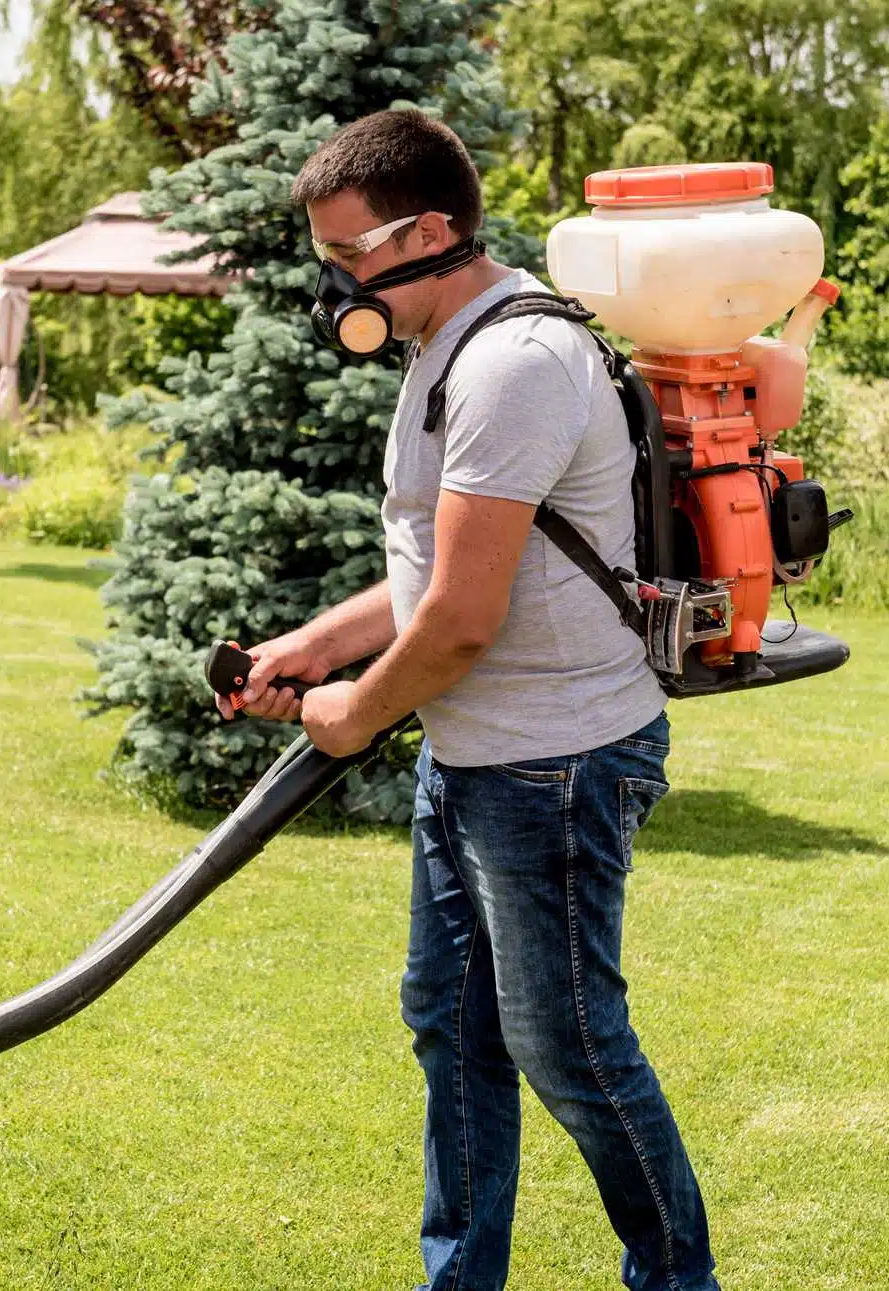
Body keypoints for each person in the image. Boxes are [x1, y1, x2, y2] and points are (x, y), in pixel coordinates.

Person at [214, 109, 721, 1291]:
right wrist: (314, 645)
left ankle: (676, 1281)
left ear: (430, 233)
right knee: (452, 1028)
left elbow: (458, 621)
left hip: (554, 763)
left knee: (569, 1048)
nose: (336, 286)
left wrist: (351, 712)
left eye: (348, 256)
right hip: (476, 755)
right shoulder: (449, 343)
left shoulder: (513, 364)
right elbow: (439, 571)